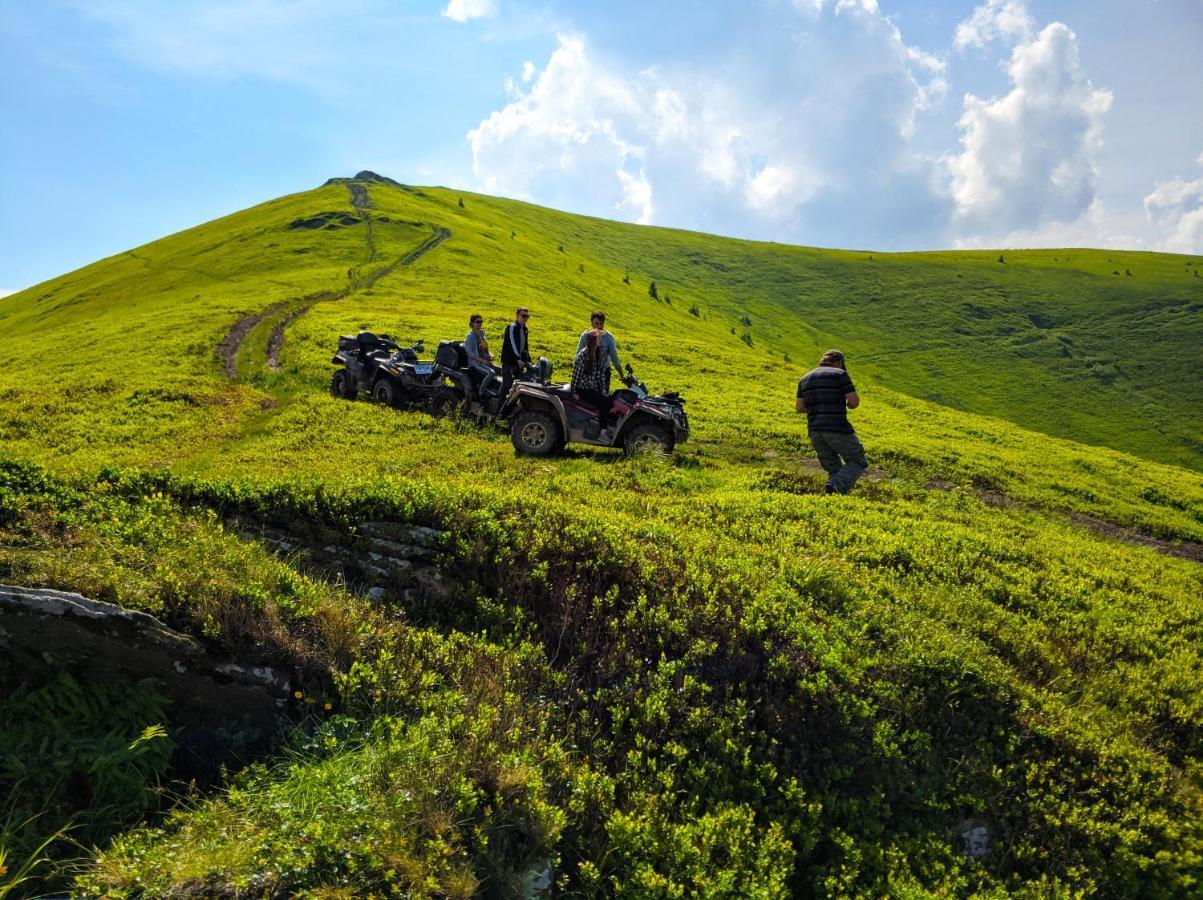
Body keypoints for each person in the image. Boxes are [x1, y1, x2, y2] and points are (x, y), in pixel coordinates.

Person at [796, 349, 866, 494]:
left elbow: (799, 407)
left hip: (815, 431)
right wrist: (846, 404)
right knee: (858, 461)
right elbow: (854, 402)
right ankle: (835, 484)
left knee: (834, 468)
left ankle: (834, 493)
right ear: (840, 362)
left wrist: (818, 408)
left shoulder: (805, 378)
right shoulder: (840, 375)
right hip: (837, 428)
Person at [572, 329, 612, 439]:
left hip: (592, 388)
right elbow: (576, 374)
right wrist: (574, 391)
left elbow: (601, 374)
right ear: (594, 341)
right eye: (599, 338)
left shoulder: (598, 353)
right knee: (603, 401)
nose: (601, 340)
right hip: (583, 388)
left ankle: (605, 425)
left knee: (609, 399)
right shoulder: (582, 356)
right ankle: (603, 433)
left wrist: (603, 389)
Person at [576, 311, 623, 383]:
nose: (598, 327)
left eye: (601, 324)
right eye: (596, 324)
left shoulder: (609, 337)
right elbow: (577, 357)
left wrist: (621, 375)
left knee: (604, 394)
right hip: (588, 372)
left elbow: (614, 357)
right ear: (591, 323)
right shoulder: (585, 336)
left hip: (604, 372)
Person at [501, 307, 532, 397]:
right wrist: (517, 358)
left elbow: (525, 346)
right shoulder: (512, 327)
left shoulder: (524, 329)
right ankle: (499, 409)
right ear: (517, 316)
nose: (525, 318)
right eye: (523, 316)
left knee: (518, 385)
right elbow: (512, 344)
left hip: (518, 363)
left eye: (527, 316)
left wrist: (529, 360)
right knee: (507, 384)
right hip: (509, 361)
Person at [463, 313, 496, 395]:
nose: (480, 324)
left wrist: (490, 354)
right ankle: (481, 392)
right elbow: (470, 353)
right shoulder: (470, 336)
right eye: (477, 322)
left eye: (481, 322)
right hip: (475, 363)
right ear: (472, 323)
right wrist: (482, 360)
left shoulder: (481, 333)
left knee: (499, 369)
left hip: (483, 361)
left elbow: (485, 347)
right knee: (491, 373)